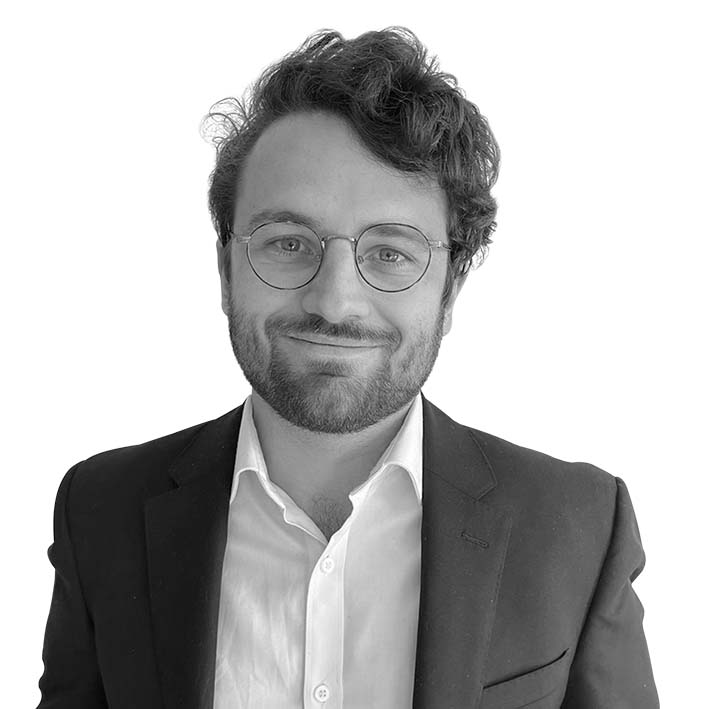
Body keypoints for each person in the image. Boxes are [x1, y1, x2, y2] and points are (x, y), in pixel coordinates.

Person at [37, 27, 659, 709]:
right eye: (288, 243)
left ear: (450, 288)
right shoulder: (101, 513)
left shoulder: (577, 527)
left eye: (390, 252)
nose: (333, 302)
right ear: (225, 267)